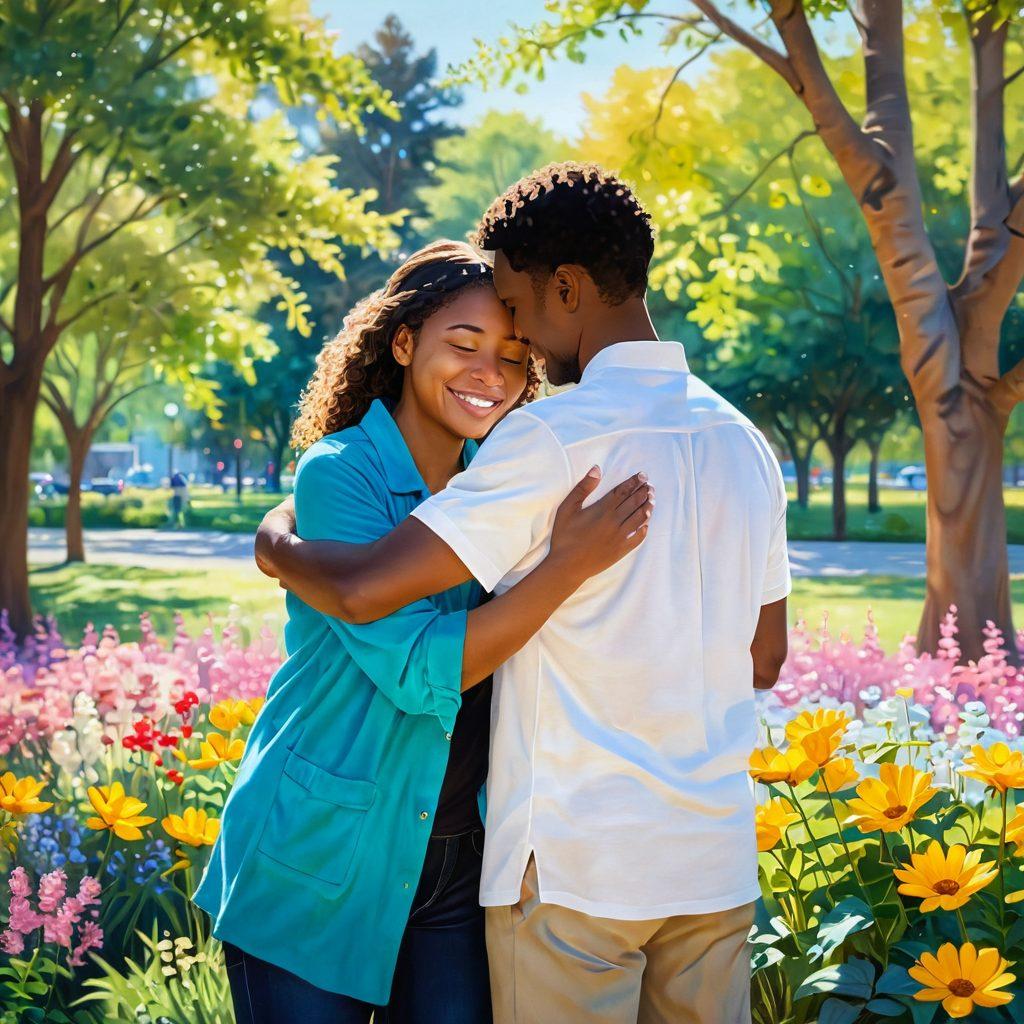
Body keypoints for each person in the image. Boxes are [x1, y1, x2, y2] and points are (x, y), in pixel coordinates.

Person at [256, 164, 791, 1024]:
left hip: (579, 867)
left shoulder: (551, 437)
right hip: (712, 865)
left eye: (521, 310)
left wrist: (276, 545)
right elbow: (765, 656)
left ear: (569, 288)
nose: (525, 347)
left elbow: (362, 590)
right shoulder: (744, 441)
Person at [193, 239, 654, 1024]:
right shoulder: (341, 472)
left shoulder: (505, 476)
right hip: (317, 851)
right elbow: (416, 669)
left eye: (513, 356)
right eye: (463, 344)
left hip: (454, 864)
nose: (490, 375)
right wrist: (565, 567)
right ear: (403, 344)